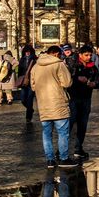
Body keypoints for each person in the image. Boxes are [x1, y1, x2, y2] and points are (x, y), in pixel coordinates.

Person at [30, 44, 74, 176]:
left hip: (43, 104)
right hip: (58, 103)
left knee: (47, 133)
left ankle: (50, 160)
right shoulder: (59, 65)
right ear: (55, 54)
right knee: (62, 132)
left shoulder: (36, 67)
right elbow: (67, 82)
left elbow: (33, 86)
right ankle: (64, 158)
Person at [69, 43, 99, 160]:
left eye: (90, 55)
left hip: (86, 98)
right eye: (86, 55)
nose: (88, 57)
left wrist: (94, 84)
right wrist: (77, 79)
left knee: (82, 124)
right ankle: (63, 149)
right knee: (70, 124)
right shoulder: (73, 65)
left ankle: (78, 147)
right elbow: (67, 79)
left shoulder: (92, 67)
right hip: (73, 98)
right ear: (80, 55)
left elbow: (98, 82)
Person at [15, 43, 38, 122]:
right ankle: (30, 109)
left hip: (31, 81)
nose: (27, 52)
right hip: (24, 82)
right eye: (26, 51)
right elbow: (20, 71)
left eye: (29, 51)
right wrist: (19, 80)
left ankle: (28, 117)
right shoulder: (22, 59)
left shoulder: (34, 59)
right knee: (23, 99)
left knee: (29, 99)